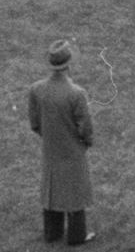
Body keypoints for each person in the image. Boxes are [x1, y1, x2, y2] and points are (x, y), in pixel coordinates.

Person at [28, 42, 96, 245]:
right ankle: (77, 235)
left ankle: (52, 232)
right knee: (75, 191)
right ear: (69, 65)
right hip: (73, 149)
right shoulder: (76, 93)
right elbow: (85, 127)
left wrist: (49, 136)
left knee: (51, 187)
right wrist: (86, 142)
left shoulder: (37, 89)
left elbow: (34, 122)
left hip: (50, 148)